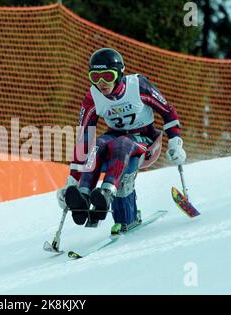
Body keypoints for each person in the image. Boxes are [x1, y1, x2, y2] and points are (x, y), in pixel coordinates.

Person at [56, 47, 186, 235]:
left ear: (119, 74)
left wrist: (176, 141)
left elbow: (168, 112)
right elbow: (84, 137)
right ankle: (83, 196)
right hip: (115, 136)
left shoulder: (138, 85)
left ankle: (106, 194)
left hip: (146, 139)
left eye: (107, 76)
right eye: (95, 77)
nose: (102, 83)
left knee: (122, 143)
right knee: (99, 144)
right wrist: (72, 180)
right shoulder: (93, 96)